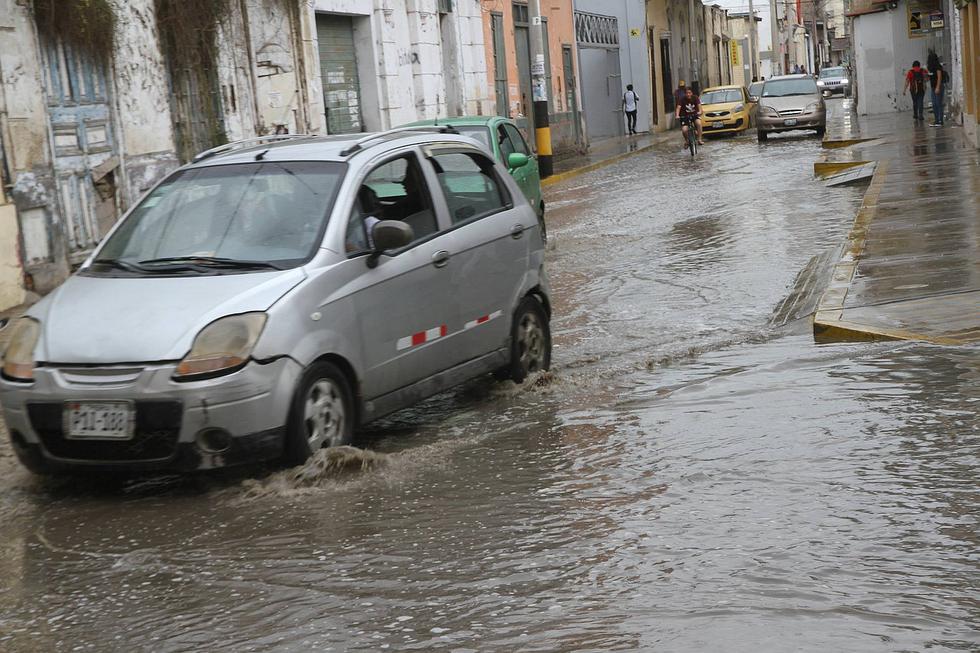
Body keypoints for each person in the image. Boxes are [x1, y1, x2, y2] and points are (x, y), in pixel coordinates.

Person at [927, 51, 945, 127]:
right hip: (933, 87)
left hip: (939, 86)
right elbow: (930, 77)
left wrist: (937, 87)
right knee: (934, 104)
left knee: (938, 103)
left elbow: (939, 77)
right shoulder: (930, 68)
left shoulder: (938, 66)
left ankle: (940, 120)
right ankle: (937, 120)